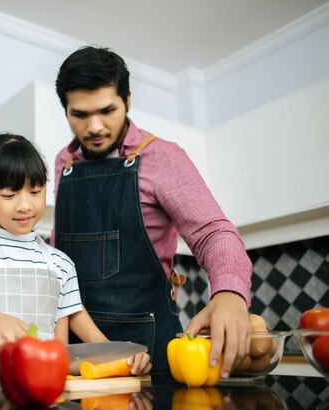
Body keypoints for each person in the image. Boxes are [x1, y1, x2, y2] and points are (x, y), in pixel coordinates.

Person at [52, 46, 253, 377]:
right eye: (80, 114)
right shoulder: (64, 163)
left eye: (107, 110)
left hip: (148, 349)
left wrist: (230, 293)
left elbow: (213, 232)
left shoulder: (164, 157)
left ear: (128, 100)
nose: (95, 127)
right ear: (66, 110)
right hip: (77, 351)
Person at [0, 133, 151, 405]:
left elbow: (65, 352)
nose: (25, 205)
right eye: (10, 195)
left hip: (40, 402)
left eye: (35, 191)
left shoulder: (60, 264)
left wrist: (124, 358)